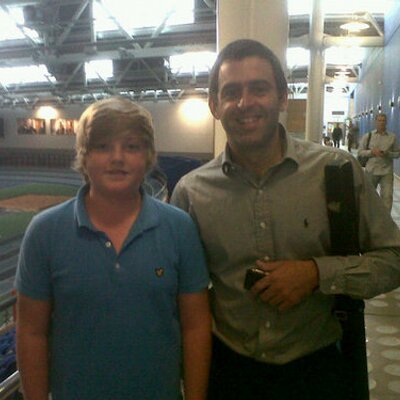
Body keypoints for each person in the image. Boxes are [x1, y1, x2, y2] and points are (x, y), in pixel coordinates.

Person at [170, 39, 400, 400]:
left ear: (282, 97)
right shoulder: (191, 193)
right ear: (214, 105)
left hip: (317, 371)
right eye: (232, 92)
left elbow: (394, 258)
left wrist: (316, 274)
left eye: (259, 89)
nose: (245, 103)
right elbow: (181, 295)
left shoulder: (336, 172)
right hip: (229, 374)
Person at [15, 96, 211, 400]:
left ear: (148, 156)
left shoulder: (179, 228)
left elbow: (195, 327)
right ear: (84, 156)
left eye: (131, 146)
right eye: (103, 146)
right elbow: (31, 332)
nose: (117, 158)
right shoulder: (44, 232)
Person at [357, 113, 400, 211]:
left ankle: (385, 219)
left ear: (386, 122)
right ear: (375, 122)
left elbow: (397, 154)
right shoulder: (368, 136)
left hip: (386, 171)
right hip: (371, 170)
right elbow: (360, 152)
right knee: (369, 196)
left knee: (387, 197)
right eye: (379, 120)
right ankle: (369, 217)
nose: (381, 122)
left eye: (383, 120)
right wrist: (371, 152)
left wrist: (388, 154)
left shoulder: (392, 137)